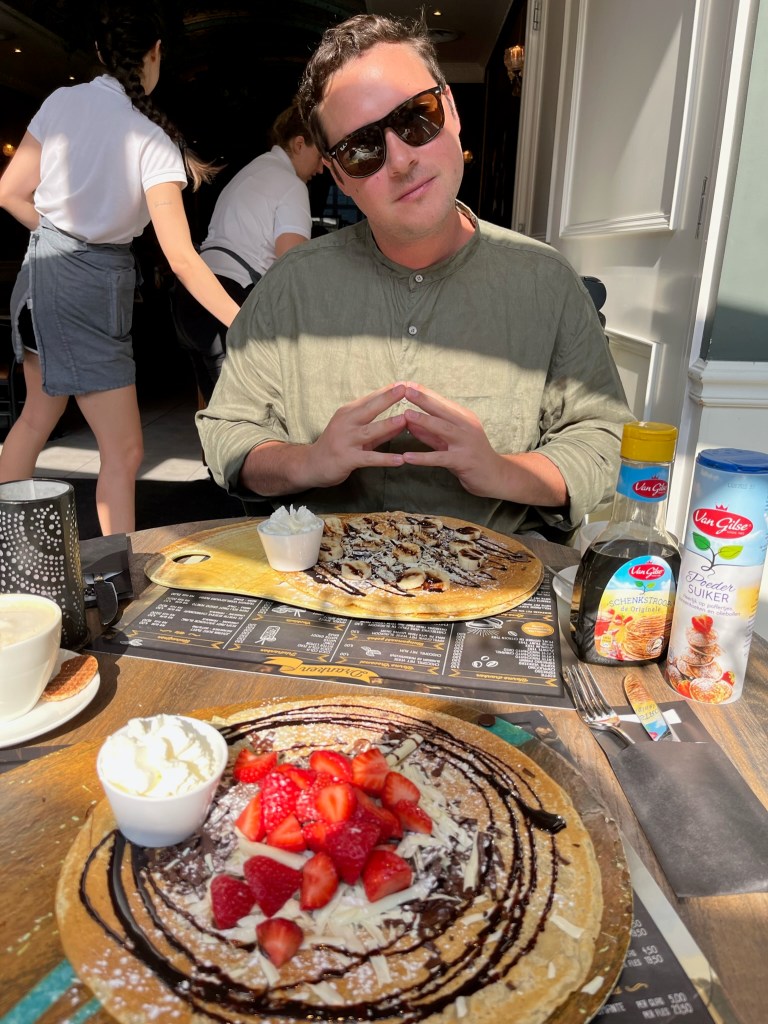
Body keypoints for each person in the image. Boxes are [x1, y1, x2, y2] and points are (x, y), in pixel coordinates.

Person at [197, 13, 634, 539]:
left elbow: (603, 438)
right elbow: (229, 432)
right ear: (337, 176)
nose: (401, 160)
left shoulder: (546, 282)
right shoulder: (291, 286)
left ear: (451, 110)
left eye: (416, 118)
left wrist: (502, 471)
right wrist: (308, 462)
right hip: (319, 575)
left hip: (499, 573)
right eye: (361, 149)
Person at [0, 3, 240, 535]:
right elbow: (181, 257)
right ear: (156, 54)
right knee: (124, 449)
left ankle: (10, 553)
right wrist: (240, 319)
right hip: (89, 294)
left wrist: (59, 237)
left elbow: (9, 193)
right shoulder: (150, 138)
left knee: (35, 419)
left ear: (102, 53)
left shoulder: (61, 102)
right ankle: (119, 567)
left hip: (38, 282)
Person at [171, 103, 324, 403]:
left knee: (215, 416)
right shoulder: (291, 185)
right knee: (244, 416)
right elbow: (290, 266)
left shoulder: (252, 171)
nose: (321, 169)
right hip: (230, 299)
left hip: (192, 297)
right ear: (299, 144)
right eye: (320, 156)